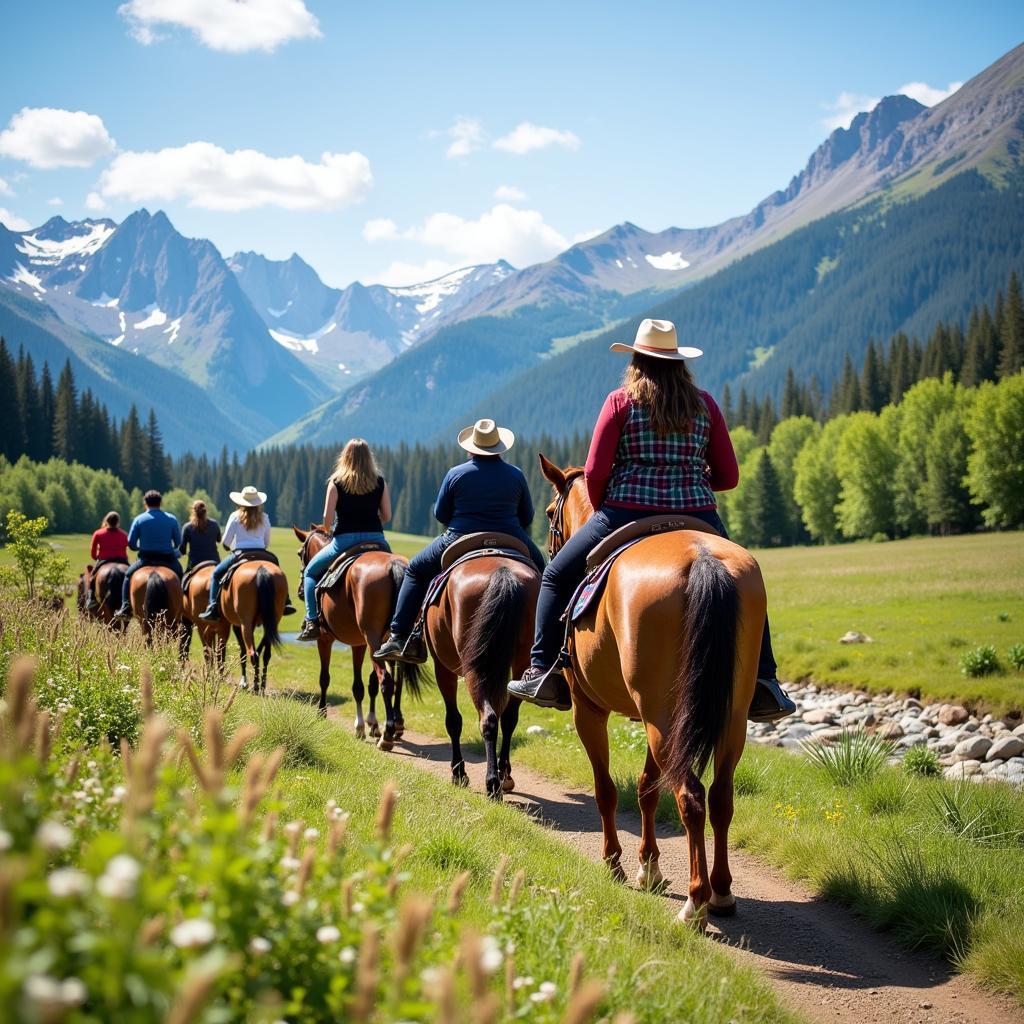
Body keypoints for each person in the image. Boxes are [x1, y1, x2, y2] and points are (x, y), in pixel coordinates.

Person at [508, 318, 796, 722]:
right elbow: (729, 477)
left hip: (626, 511)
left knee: (555, 575)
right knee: (745, 573)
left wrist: (608, 503)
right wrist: (691, 478)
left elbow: (594, 471)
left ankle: (543, 671)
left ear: (636, 361)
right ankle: (765, 681)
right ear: (679, 362)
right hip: (698, 515)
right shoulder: (705, 404)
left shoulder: (619, 403)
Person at [373, 418, 547, 661]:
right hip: (511, 536)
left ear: (471, 447)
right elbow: (527, 515)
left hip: (460, 537)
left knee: (414, 569)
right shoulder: (515, 474)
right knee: (547, 575)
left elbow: (441, 514)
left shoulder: (455, 473)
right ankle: (551, 644)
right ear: (498, 446)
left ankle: (400, 636)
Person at [296, 439, 393, 642]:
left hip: (344, 542)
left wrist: (331, 528)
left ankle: (312, 620)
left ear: (345, 457)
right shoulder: (380, 482)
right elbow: (387, 517)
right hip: (377, 540)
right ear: (369, 458)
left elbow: (327, 519)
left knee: (310, 572)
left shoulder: (336, 482)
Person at [198, 486, 296, 621]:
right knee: (277, 568)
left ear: (241, 502)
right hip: (262, 552)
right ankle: (286, 601)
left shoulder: (235, 516)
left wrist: (228, 547)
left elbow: (226, 542)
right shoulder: (265, 517)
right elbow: (266, 542)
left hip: (239, 554)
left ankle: (213, 606)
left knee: (216, 574)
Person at [113, 491, 183, 618]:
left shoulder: (139, 519)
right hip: (167, 558)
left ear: (145, 503)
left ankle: (125, 606)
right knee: (180, 573)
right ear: (160, 503)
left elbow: (131, 543)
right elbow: (179, 542)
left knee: (128, 576)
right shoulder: (171, 519)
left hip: (145, 559)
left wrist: (140, 546)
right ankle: (183, 606)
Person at [85, 510, 129, 611]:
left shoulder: (98, 533)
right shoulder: (124, 534)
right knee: (131, 575)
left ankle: (91, 599)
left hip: (104, 560)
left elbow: (93, 551)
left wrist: (96, 558)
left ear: (107, 521)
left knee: (92, 577)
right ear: (118, 522)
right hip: (122, 560)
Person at [179, 500, 222, 570]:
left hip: (194, 563)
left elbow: (182, 550)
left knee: (183, 579)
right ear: (206, 511)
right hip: (214, 562)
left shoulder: (187, 527)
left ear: (193, 511)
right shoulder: (214, 524)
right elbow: (219, 540)